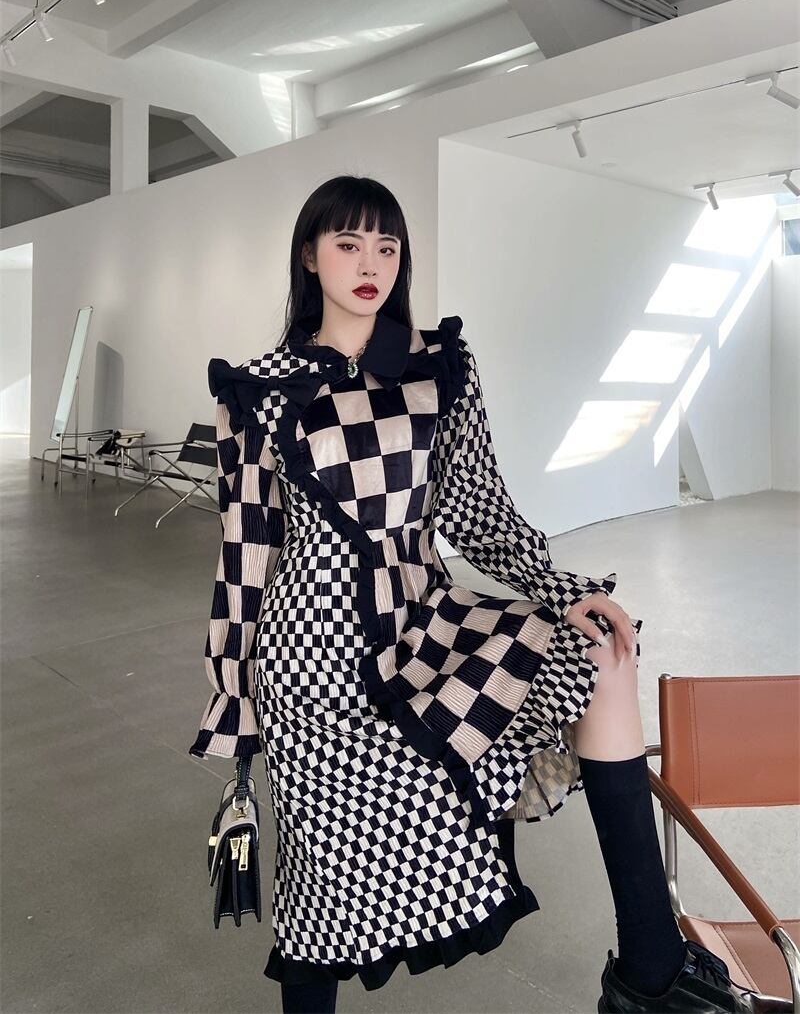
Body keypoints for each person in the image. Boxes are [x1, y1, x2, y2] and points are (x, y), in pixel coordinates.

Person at [189, 175, 758, 1013]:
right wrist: (235, 704)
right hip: (310, 654)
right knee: (319, 891)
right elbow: (246, 554)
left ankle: (651, 966)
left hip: (424, 627)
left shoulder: (437, 368)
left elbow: (477, 509)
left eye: (387, 246)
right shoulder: (258, 389)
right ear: (309, 256)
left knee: (599, 656)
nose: (370, 264)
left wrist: (562, 589)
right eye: (348, 244)